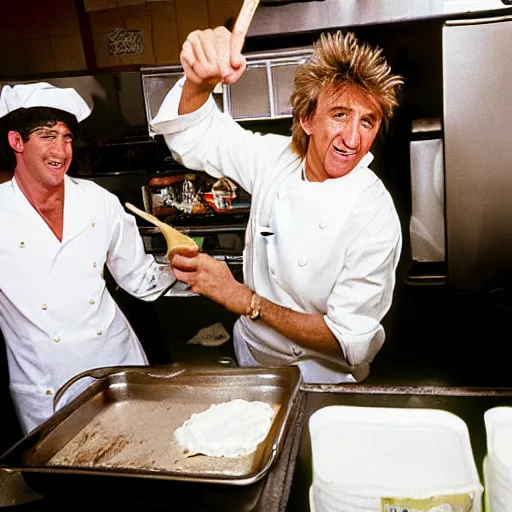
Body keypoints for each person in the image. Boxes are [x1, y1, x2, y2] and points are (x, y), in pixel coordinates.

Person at [151, 27, 404, 384]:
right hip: (255, 362)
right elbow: (197, 137)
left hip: (324, 378)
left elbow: (347, 341)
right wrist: (198, 82)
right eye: (340, 115)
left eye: (368, 121)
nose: (352, 139)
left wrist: (246, 301)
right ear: (307, 119)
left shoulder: (375, 214)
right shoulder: (275, 159)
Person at [0, 82, 176, 434]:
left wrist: (179, 267)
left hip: (115, 367)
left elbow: (139, 279)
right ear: (16, 142)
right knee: (68, 484)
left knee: (141, 459)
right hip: (46, 388)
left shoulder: (98, 202)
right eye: (47, 136)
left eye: (66, 137)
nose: (61, 150)